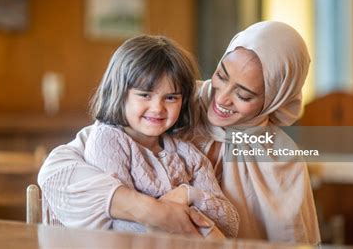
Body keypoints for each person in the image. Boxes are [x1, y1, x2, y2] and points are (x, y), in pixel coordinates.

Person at [38, 21, 321, 243]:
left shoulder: (282, 159)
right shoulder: (177, 102)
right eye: (222, 76)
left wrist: (189, 197)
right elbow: (57, 172)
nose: (221, 99)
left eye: (244, 95)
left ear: (275, 99)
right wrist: (148, 208)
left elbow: (293, 239)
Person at [39, 35, 239, 238]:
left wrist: (188, 194)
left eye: (171, 98)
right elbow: (118, 226)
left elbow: (231, 223)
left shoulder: (188, 154)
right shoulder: (108, 140)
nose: (157, 108)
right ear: (120, 93)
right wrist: (182, 221)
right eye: (145, 95)